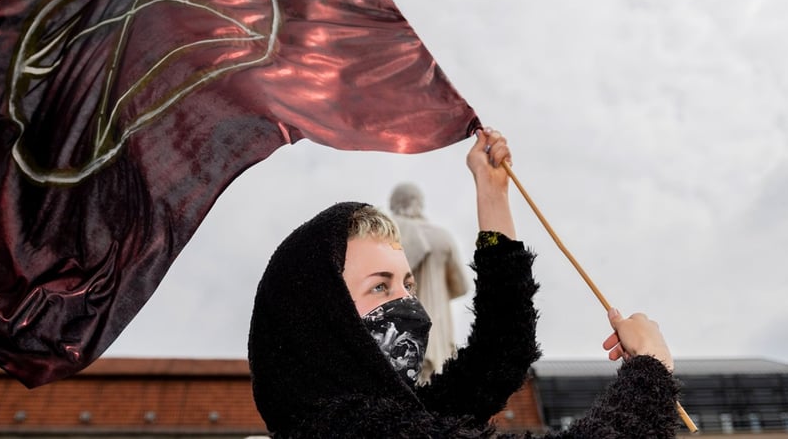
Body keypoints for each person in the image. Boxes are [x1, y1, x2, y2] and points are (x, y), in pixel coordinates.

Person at [248, 127, 680, 437]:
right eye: (380, 286)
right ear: (319, 318)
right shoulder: (346, 429)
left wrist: (492, 196)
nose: (408, 305)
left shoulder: (387, 415)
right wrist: (651, 371)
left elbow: (501, 351)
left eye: (409, 285)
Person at [389, 181, 470, 383]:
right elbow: (462, 286)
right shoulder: (442, 238)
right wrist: (439, 293)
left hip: (397, 333)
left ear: (394, 204)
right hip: (437, 334)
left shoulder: (384, 234)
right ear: (419, 202)